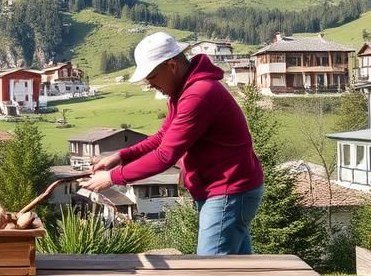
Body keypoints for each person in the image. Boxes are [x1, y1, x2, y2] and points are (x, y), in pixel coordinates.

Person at [81, 32, 264, 255]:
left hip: (228, 192)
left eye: (152, 76)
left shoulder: (198, 94)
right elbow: (162, 137)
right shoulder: (185, 92)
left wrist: (112, 178)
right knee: (238, 269)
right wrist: (120, 157)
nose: (150, 84)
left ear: (171, 65)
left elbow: (164, 156)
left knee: (210, 271)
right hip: (228, 191)